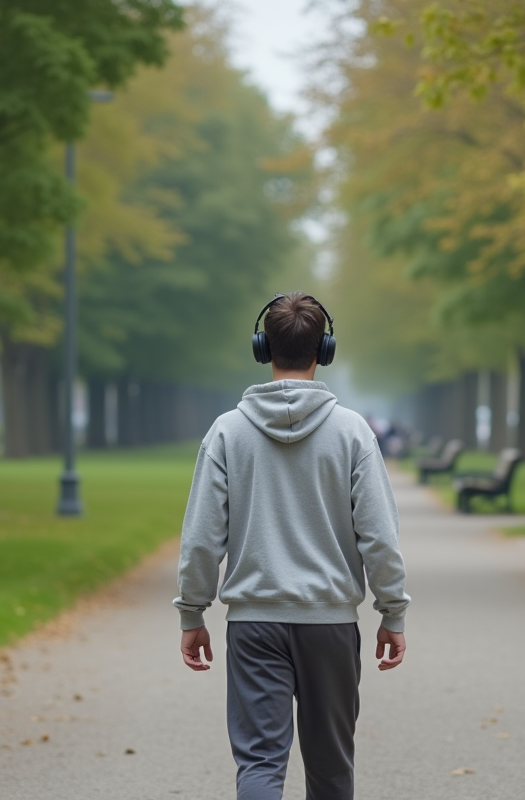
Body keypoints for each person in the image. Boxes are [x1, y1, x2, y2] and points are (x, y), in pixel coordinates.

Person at [174, 291, 410, 800]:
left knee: (259, 762)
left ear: (264, 348)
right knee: (331, 769)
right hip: (329, 625)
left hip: (254, 624)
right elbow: (380, 537)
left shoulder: (227, 432)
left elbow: (200, 539)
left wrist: (192, 613)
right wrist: (392, 611)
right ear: (324, 350)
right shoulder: (353, 433)